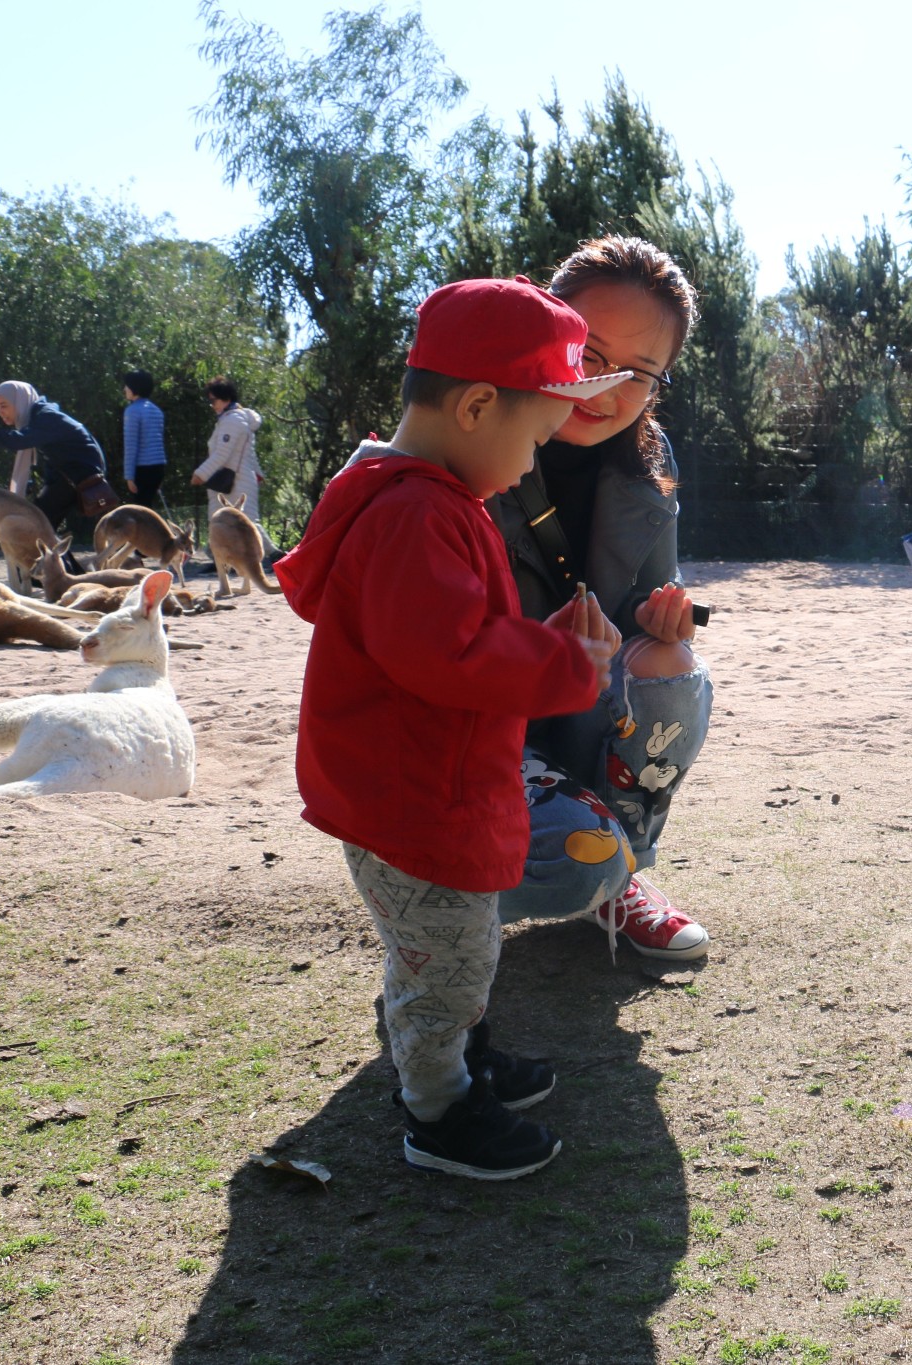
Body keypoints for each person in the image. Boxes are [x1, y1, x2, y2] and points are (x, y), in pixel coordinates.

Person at [277, 276, 635, 1180]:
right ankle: (437, 1107)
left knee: (455, 947)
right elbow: (445, 656)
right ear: (478, 405)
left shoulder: (424, 500)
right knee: (449, 960)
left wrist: (537, 641)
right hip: (413, 804)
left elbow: (457, 636)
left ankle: (461, 1058)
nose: (531, 467)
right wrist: (563, 666)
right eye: (535, 439)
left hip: (420, 789)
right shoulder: (414, 513)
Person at [484, 237, 716, 962]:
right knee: (580, 857)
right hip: (469, 728)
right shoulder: (471, 436)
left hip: (563, 707)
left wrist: (656, 618)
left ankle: (624, 876)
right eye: (588, 353)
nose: (608, 387)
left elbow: (639, 618)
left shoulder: (651, 462)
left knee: (672, 663)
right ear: (546, 330)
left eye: (640, 372)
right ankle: (438, 898)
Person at [0, 381, 109, 545]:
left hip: (80, 475)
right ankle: (60, 569)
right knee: (41, 529)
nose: (0, 412)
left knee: (37, 527)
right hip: (66, 476)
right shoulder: (36, 416)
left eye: (4, 405)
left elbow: (16, 441)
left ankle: (58, 570)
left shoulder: (46, 417)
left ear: (19, 401)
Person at [191, 377, 277, 553]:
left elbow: (222, 454)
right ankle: (219, 557)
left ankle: (273, 555)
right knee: (226, 520)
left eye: (214, 400)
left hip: (237, 480)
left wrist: (201, 474)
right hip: (235, 478)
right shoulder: (231, 419)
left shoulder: (233, 420)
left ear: (227, 399)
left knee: (246, 522)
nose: (212, 404)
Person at [120, 369, 168, 504]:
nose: (125, 389)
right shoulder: (156, 410)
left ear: (135, 387)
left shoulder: (132, 411)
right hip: (158, 467)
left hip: (142, 469)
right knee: (148, 508)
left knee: (139, 512)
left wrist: (129, 476)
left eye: (127, 385)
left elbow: (131, 446)